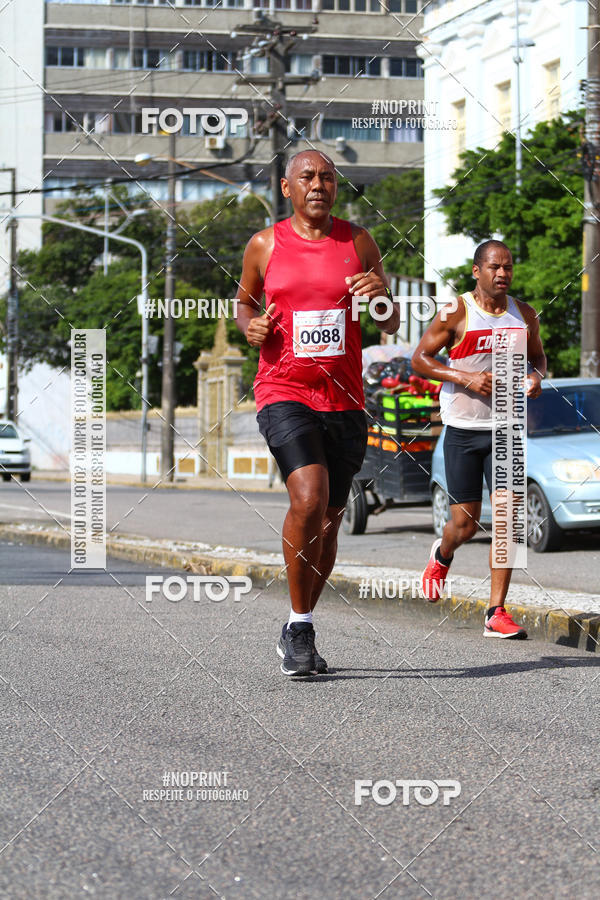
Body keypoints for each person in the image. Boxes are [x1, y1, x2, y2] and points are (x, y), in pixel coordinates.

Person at [235, 150, 399, 675]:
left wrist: (380, 298)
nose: (319, 185)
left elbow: (389, 321)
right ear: (287, 187)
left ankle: (297, 626)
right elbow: (243, 303)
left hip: (346, 399)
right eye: (307, 176)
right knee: (309, 497)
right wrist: (250, 327)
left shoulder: (359, 242)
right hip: (284, 389)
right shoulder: (265, 244)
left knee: (328, 522)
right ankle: (300, 623)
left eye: (328, 177)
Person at [412, 240, 546, 638]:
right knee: (465, 524)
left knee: (508, 520)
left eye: (508, 267)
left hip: (505, 429)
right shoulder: (456, 311)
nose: (502, 273)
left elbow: (538, 357)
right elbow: (420, 358)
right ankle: (443, 552)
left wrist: (536, 377)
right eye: (494, 267)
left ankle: (495, 612)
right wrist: (464, 377)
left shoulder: (524, 314)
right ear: (477, 271)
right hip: (463, 431)